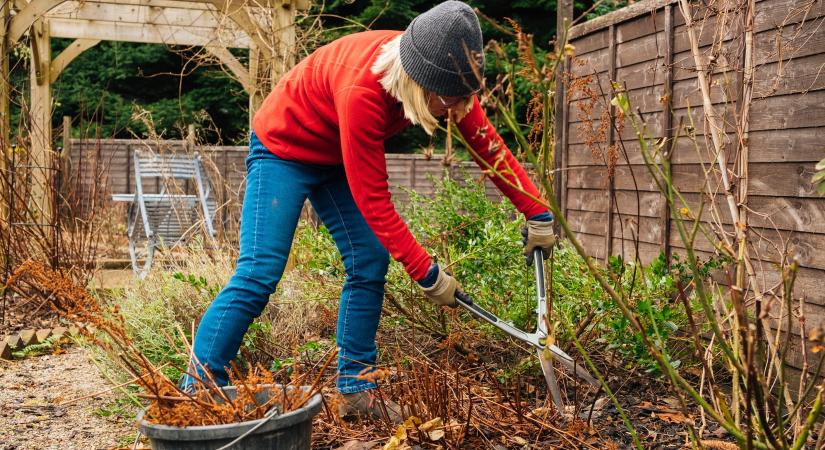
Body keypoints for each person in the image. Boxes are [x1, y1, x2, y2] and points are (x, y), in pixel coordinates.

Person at [183, 0, 556, 421]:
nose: (457, 109)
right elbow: (374, 201)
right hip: (283, 149)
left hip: (334, 155)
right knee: (259, 271)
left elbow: (488, 144)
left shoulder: (447, 80)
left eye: (464, 97)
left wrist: (536, 211)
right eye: (450, 100)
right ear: (423, 84)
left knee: (369, 260)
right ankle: (197, 391)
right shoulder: (362, 91)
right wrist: (427, 273)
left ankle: (356, 391)